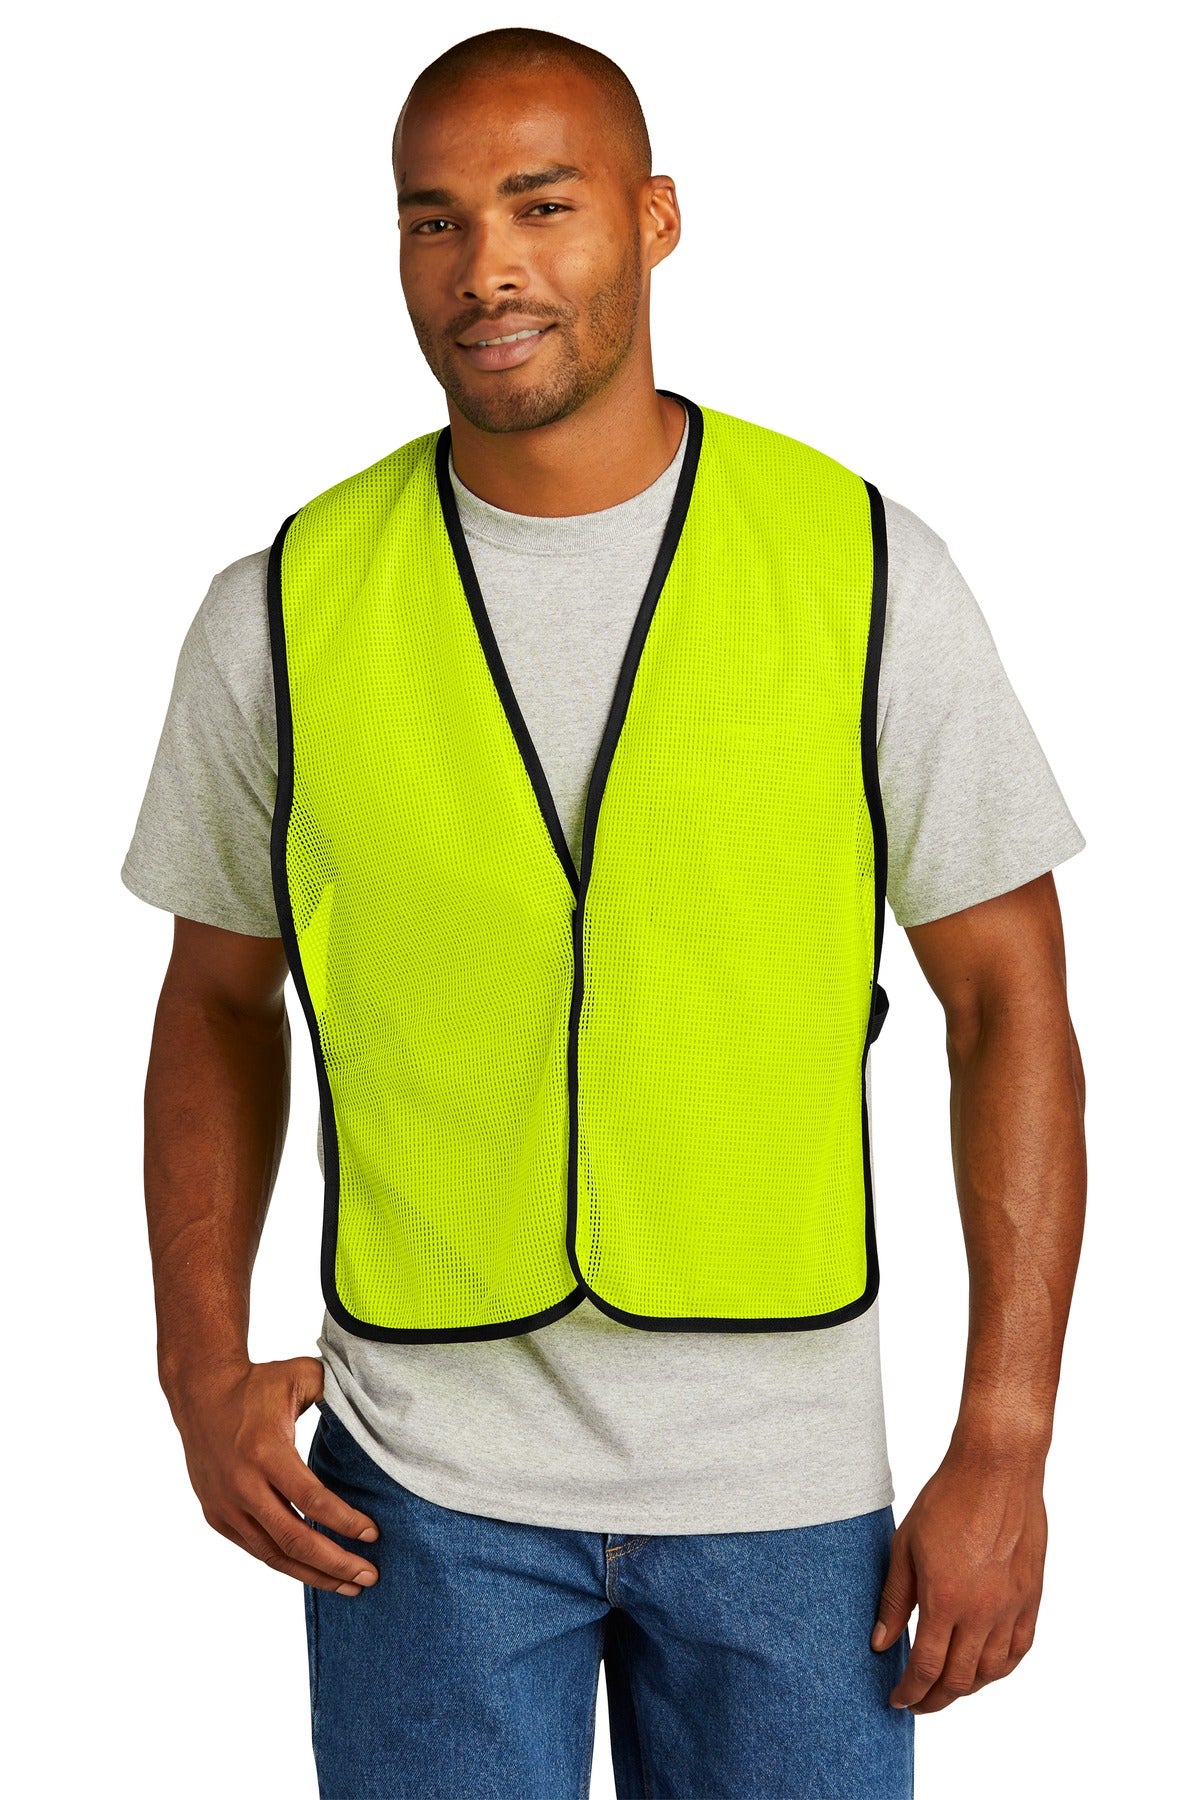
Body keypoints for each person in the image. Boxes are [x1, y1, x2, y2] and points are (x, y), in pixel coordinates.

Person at [120, 26, 1087, 1800]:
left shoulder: (864, 568)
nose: (483, 267)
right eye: (433, 219)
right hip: (415, 1497)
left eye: (540, 205)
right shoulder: (283, 606)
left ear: (654, 220)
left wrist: (1007, 1439)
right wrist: (195, 1363)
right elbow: (213, 1000)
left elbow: (1010, 997)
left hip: (790, 1498)